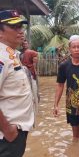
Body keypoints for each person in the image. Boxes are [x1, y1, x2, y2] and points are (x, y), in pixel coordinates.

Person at [0, 10, 35, 157]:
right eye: (14, 27)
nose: (20, 31)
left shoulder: (11, 54)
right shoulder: (1, 58)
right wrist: (8, 130)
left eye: (21, 27)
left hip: (16, 131)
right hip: (7, 135)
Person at [21, 40, 40, 107]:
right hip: (23, 73)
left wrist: (35, 70)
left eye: (26, 44)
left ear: (28, 44)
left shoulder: (31, 52)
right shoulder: (20, 53)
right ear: (22, 45)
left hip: (30, 72)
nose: (24, 45)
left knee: (33, 88)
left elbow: (35, 61)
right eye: (23, 44)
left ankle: (34, 101)